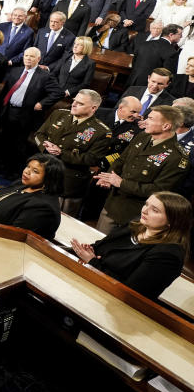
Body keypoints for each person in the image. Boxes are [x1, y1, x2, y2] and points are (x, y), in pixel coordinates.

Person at [72, 192, 191, 301]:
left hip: (114, 302)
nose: (144, 211)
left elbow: (130, 292)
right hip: (91, 282)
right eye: (146, 204)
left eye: (154, 210)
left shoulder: (168, 254)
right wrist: (88, 250)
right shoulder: (136, 224)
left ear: (172, 221)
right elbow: (101, 246)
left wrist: (92, 261)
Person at [95, 105, 188, 234]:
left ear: (166, 126)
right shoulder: (142, 136)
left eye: (150, 118)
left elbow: (159, 191)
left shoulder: (177, 157)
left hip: (138, 215)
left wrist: (121, 183)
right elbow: (121, 161)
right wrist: (108, 178)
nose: (145, 121)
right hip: (113, 204)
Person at [35, 89, 112, 216]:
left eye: (80, 103)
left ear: (93, 108)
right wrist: (45, 147)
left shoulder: (102, 132)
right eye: (74, 101)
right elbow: (39, 134)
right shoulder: (59, 114)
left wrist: (61, 153)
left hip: (67, 182)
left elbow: (91, 159)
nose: (74, 104)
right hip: (43, 171)